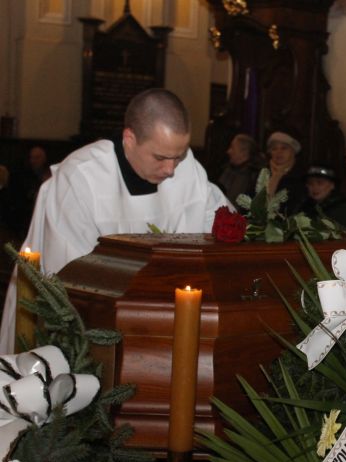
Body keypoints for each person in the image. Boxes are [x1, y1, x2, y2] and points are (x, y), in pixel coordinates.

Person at [0, 88, 231, 353]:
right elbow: (69, 276)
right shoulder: (81, 178)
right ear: (129, 139)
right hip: (90, 333)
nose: (170, 170)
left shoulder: (188, 170)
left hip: (163, 330)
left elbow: (221, 227)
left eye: (178, 156)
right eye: (160, 157)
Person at [217, 133, 264, 210]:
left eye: (232, 148)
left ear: (244, 152)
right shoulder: (226, 169)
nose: (228, 151)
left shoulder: (255, 176)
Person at [265, 130, 306, 214]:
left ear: (293, 151)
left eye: (284, 148)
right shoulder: (263, 173)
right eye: (274, 149)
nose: (278, 152)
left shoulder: (303, 176)